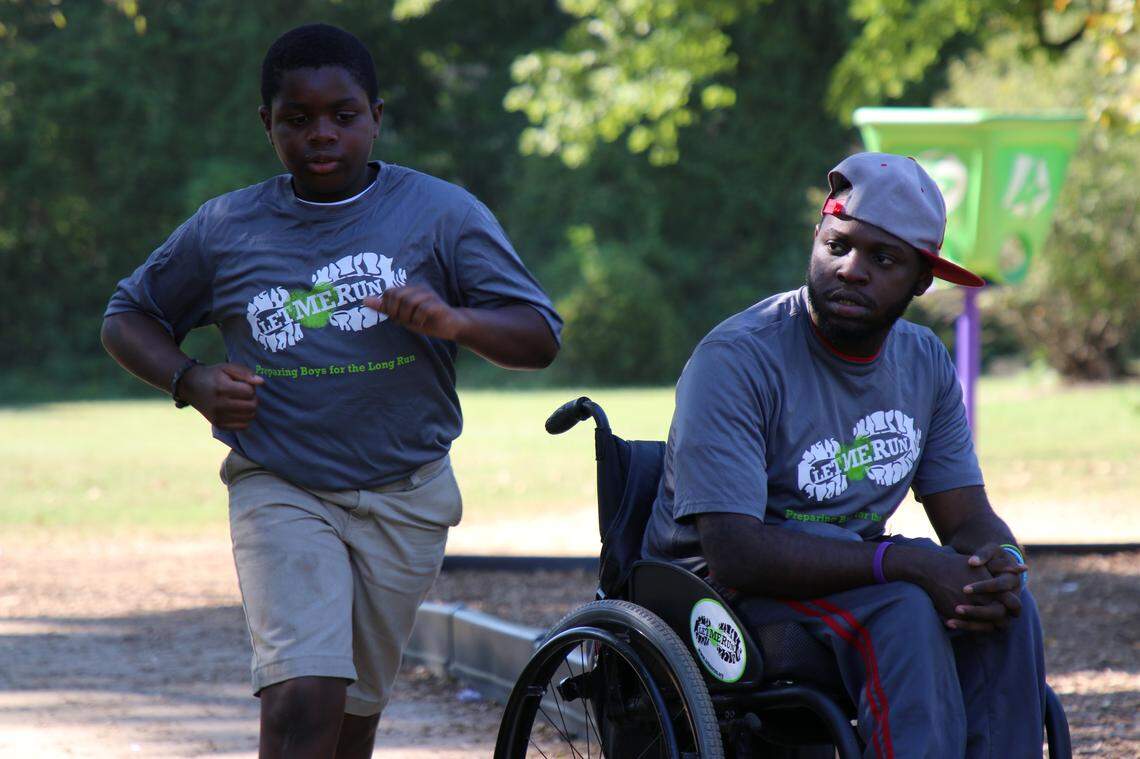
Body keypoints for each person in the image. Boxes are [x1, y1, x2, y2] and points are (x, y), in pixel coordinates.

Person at [100, 23, 561, 758]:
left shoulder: (441, 213)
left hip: (405, 494)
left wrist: (455, 319)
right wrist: (190, 379)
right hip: (281, 483)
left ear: (376, 116)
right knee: (301, 694)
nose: (322, 135)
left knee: (349, 719)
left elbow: (539, 336)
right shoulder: (227, 228)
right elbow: (127, 316)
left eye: (343, 116)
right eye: (297, 119)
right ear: (267, 124)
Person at [642, 152, 1047, 757]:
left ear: (920, 279)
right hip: (718, 603)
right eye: (839, 246)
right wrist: (904, 565)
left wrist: (1001, 565)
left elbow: (965, 519)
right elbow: (735, 555)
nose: (851, 270)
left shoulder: (924, 363)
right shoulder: (736, 360)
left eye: (882, 259)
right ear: (817, 239)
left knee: (1005, 616)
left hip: (848, 573)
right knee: (905, 608)